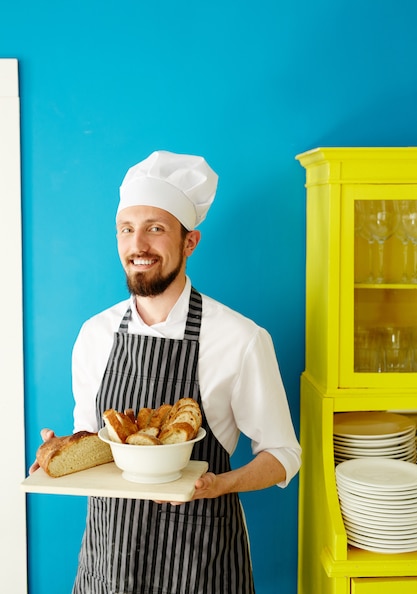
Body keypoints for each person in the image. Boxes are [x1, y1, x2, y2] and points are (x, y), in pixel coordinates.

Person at [32, 150, 301, 594]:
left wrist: (220, 485)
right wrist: (60, 453)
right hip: (108, 564)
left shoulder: (240, 338)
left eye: (155, 229)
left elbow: (284, 455)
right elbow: (94, 441)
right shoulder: (94, 334)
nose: (138, 245)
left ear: (190, 242)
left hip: (200, 561)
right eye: (127, 229)